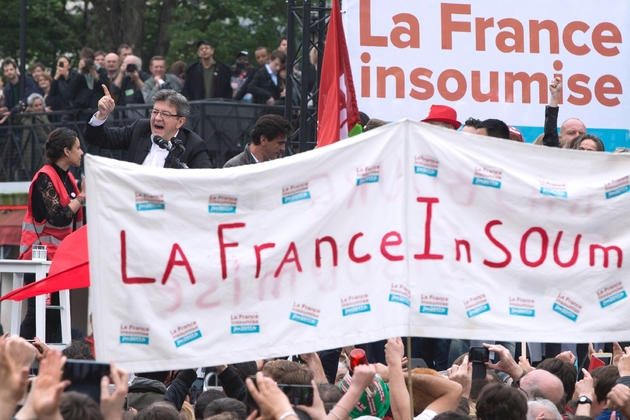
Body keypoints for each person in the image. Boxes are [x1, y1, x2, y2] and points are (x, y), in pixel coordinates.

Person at [18, 128, 85, 342]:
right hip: (39, 259)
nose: (81, 152)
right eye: (77, 148)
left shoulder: (69, 179)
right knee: (38, 314)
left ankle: (46, 368)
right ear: (66, 151)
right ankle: (18, 365)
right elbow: (58, 217)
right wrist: (82, 198)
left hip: (59, 260)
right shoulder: (44, 178)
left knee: (54, 316)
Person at [83, 87, 212, 168]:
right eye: (155, 112)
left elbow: (205, 182)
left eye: (165, 114)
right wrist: (102, 114)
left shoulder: (193, 145)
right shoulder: (140, 129)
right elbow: (97, 138)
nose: (157, 118)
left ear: (180, 122)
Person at [223, 114, 292, 168]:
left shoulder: (279, 167)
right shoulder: (234, 167)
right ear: (263, 140)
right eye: (280, 143)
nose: (283, 148)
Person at [543, 77, 586, 148]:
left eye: (581, 134)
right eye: (571, 133)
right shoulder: (556, 156)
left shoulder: (593, 156)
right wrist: (554, 96)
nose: (577, 136)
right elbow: (550, 138)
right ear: (560, 137)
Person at [67, 47, 108, 111]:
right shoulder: (75, 73)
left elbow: (105, 88)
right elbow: (71, 91)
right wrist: (79, 72)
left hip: (97, 106)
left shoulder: (101, 71)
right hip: (80, 108)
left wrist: (96, 76)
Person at [1, 58, 39, 123]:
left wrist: (11, 111)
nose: (9, 72)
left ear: (15, 70)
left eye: (11, 69)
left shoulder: (27, 81)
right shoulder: (6, 89)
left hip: (31, 117)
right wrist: (5, 109)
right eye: (6, 70)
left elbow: (27, 99)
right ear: (4, 73)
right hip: (15, 120)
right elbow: (7, 104)